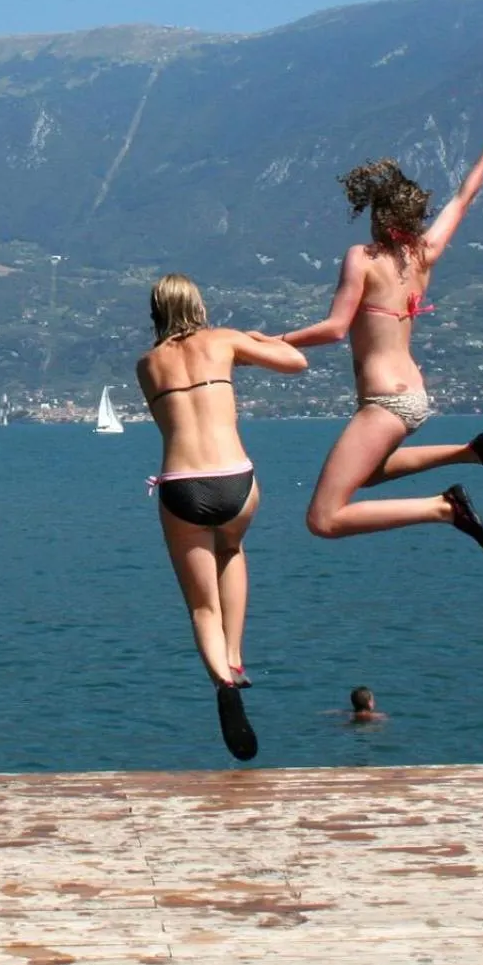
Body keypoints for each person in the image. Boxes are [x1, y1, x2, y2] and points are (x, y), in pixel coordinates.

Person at [274, 120, 483, 554]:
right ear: (414, 217)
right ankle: (470, 452)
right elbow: (463, 198)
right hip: (412, 396)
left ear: (378, 215)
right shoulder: (425, 255)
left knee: (323, 519)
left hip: (385, 402)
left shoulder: (363, 258)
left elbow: (335, 329)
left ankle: (443, 508)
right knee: (367, 472)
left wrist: (269, 341)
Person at [135, 272, 307, 762]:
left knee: (200, 606)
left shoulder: (146, 365)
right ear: (199, 303)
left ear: (156, 312)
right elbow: (297, 362)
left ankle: (221, 681)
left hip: (182, 487)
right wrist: (254, 341)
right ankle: (235, 656)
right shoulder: (225, 340)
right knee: (231, 548)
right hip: (236, 478)